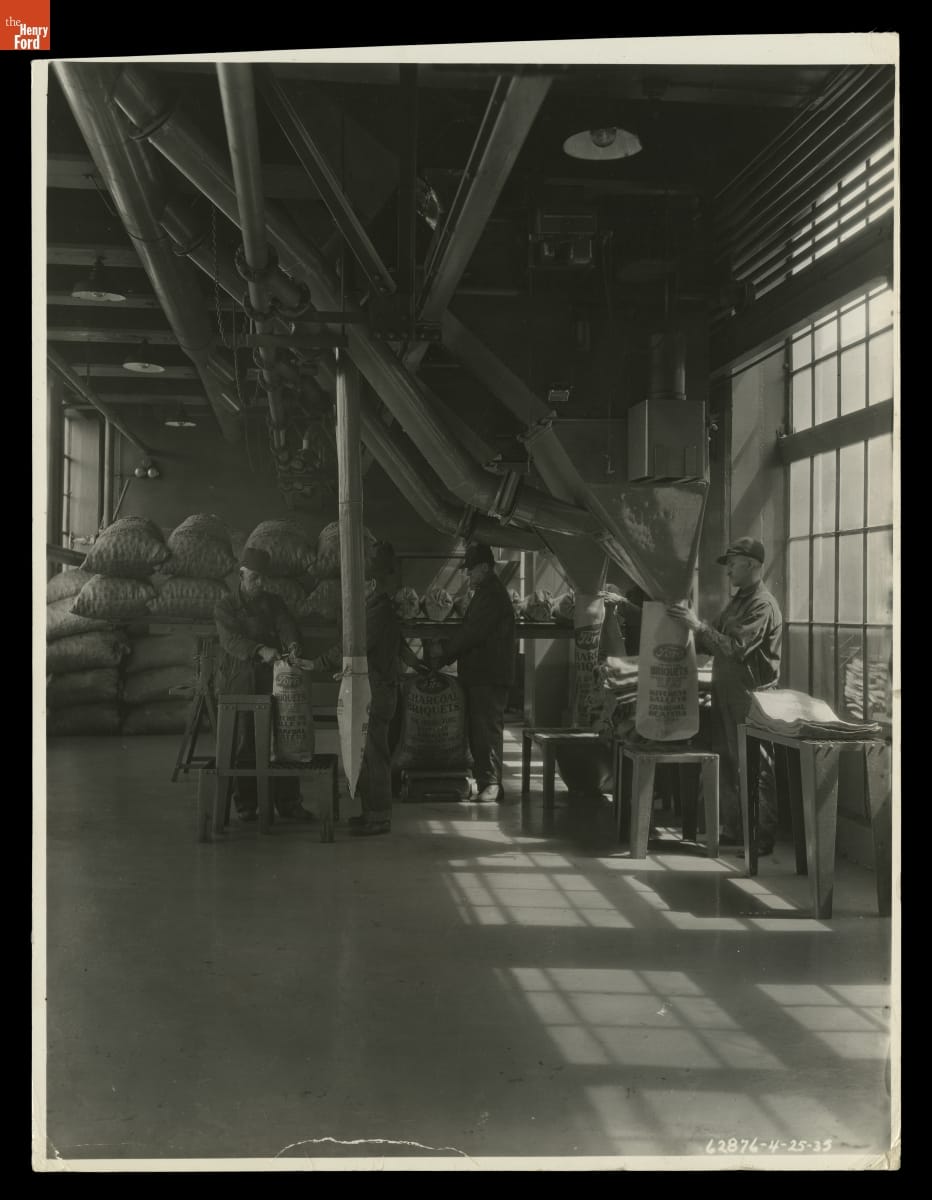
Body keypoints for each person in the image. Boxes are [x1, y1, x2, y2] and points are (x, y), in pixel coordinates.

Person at [666, 536, 783, 855]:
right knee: (729, 763)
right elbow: (709, 640)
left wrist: (696, 626)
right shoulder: (738, 601)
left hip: (751, 697)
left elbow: (734, 648)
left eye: (733, 563)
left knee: (753, 765)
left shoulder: (762, 604)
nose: (728, 570)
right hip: (727, 692)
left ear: (752, 564)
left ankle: (759, 837)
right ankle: (736, 829)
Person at [308, 542, 426, 837]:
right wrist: (418, 664)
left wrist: (317, 663)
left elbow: (351, 646)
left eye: (358, 585)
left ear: (371, 584)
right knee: (367, 754)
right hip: (377, 688)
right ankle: (370, 812)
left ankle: (379, 817)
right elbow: (399, 647)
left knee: (374, 756)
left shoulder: (376, 613)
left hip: (377, 692)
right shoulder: (378, 610)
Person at [213, 546, 316, 823]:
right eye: (254, 577)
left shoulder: (274, 601)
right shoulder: (225, 606)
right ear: (241, 575)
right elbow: (231, 641)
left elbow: (286, 624)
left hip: (274, 681)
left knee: (285, 738)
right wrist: (260, 649)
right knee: (246, 740)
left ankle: (289, 802)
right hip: (241, 680)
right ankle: (246, 803)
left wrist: (292, 644)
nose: (260, 583)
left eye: (263, 578)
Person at [429, 542, 516, 803]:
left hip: (489, 675)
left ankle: (492, 784)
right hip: (482, 674)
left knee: (486, 730)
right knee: (480, 730)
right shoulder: (485, 592)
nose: (468, 574)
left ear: (485, 567)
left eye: (472, 569)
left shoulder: (491, 596)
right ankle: (485, 780)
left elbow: (472, 633)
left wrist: (443, 654)